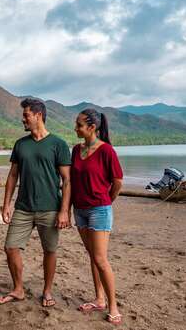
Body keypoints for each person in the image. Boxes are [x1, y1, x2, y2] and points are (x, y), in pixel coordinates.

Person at [0, 98, 71, 307]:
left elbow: (67, 180)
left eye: (26, 115)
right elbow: (12, 176)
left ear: (38, 115)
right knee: (10, 247)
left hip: (50, 208)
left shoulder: (58, 144)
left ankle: (47, 291)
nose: (23, 119)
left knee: (50, 250)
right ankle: (18, 289)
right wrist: (7, 204)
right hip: (23, 207)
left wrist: (64, 211)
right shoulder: (21, 144)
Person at [71, 108, 123, 325]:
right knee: (93, 256)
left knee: (101, 259)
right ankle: (99, 299)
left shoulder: (106, 151)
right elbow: (71, 181)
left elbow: (118, 181)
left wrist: (106, 202)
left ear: (92, 127)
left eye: (79, 125)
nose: (75, 128)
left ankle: (113, 306)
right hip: (79, 210)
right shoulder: (76, 149)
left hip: (99, 210)